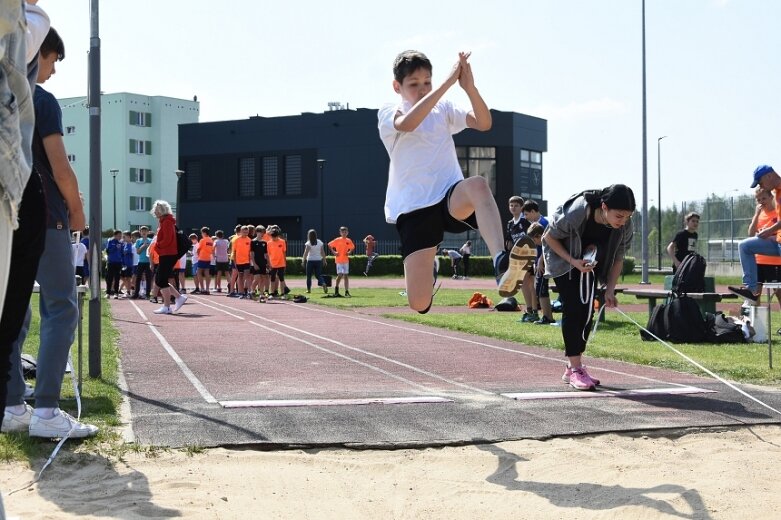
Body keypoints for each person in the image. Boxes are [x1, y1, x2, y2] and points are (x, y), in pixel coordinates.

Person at [377, 50, 529, 313]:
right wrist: (448, 83)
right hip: (414, 211)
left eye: (428, 82)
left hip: (449, 199)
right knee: (419, 303)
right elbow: (409, 123)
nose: (423, 89)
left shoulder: (443, 109)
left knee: (478, 185)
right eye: (414, 85)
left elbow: (484, 122)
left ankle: (500, 263)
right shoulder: (389, 113)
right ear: (397, 87)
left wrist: (469, 88)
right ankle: (431, 270)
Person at [2, 25, 98, 439]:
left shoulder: (5, 98)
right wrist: (77, 212)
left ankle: (11, 406)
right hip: (46, 219)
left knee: (14, 313)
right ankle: (45, 410)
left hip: (10, 219)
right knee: (61, 308)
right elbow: (60, 167)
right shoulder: (40, 99)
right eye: (53, 60)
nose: (54, 70)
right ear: (38, 52)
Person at [543, 184, 635, 390]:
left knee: (586, 312)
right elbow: (548, 236)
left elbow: (619, 257)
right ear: (604, 207)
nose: (623, 221)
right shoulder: (579, 210)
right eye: (619, 216)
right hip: (563, 259)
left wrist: (610, 289)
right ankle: (576, 370)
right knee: (574, 308)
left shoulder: (625, 224)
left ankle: (572, 367)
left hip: (591, 263)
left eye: (627, 217)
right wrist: (573, 261)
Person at [729, 165, 781, 303]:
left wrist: (769, 231)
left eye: (761, 182)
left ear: (769, 176)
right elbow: (751, 233)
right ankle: (751, 289)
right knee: (745, 246)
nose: (761, 185)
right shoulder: (777, 194)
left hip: (776, 248)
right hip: (776, 244)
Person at [149, 200, 187, 314]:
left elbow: (167, 239)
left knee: (161, 280)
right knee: (161, 279)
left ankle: (167, 306)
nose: (154, 212)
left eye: (156, 210)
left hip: (168, 253)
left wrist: (157, 246)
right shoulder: (164, 221)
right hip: (166, 253)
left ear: (162, 210)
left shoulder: (167, 222)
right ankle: (178, 297)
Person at [748, 186, 781, 309]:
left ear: (771, 197)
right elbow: (750, 234)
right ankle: (755, 326)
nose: (761, 201)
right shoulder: (760, 214)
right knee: (754, 294)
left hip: (774, 261)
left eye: (764, 198)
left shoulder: (778, 213)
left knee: (779, 293)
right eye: (758, 199)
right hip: (758, 261)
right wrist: (756, 214)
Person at [507, 195, 537, 321]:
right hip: (518, 258)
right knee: (523, 284)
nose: (513, 208)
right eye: (511, 205)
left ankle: (534, 311)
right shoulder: (509, 224)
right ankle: (529, 310)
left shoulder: (525, 222)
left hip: (529, 256)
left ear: (521, 207)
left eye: (516, 206)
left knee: (531, 284)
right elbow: (509, 242)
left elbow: (533, 239)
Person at [526, 222, 555, 325]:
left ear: (538, 236)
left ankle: (548, 317)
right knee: (540, 290)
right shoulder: (542, 240)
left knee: (542, 290)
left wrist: (540, 261)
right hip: (542, 267)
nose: (534, 242)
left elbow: (547, 250)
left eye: (534, 240)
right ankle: (547, 316)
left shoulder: (546, 238)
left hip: (545, 268)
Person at [328, 226, 355, 297]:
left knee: (346, 275)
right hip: (339, 260)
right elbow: (329, 244)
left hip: (346, 260)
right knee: (340, 275)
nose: (344, 233)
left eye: (345, 232)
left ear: (347, 233)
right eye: (342, 232)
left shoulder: (348, 240)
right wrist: (334, 252)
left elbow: (352, 247)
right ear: (340, 233)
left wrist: (349, 252)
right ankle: (336, 289)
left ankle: (346, 291)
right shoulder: (337, 240)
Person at [266, 225, 288, 298]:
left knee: (281, 278)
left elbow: (284, 252)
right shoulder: (269, 243)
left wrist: (285, 262)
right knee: (272, 278)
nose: (273, 238)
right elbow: (268, 254)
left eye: (275, 236)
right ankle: (271, 293)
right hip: (273, 264)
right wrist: (269, 263)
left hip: (281, 263)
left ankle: (282, 294)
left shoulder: (282, 242)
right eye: (272, 236)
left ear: (278, 235)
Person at [302, 229, 327, 293]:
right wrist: (324, 260)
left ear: (309, 236)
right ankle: (323, 283)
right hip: (318, 260)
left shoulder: (308, 243)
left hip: (310, 261)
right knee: (318, 275)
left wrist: (303, 261)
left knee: (309, 276)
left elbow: (306, 253)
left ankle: (308, 289)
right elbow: (322, 252)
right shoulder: (320, 242)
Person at [132, 225, 153, 299]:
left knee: (148, 278)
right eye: (142, 231)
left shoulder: (151, 240)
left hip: (148, 262)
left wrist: (148, 247)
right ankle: (136, 293)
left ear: (148, 232)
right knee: (138, 278)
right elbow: (138, 252)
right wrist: (143, 246)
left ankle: (147, 294)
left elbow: (152, 251)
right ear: (140, 233)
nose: (144, 232)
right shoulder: (138, 241)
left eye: (145, 231)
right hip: (140, 262)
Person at [250, 226, 269, 302]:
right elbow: (252, 254)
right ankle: (252, 291)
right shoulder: (253, 242)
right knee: (257, 278)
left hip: (263, 263)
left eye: (262, 232)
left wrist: (268, 263)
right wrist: (254, 264)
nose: (261, 234)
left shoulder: (264, 242)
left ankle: (261, 294)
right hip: (256, 262)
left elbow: (266, 254)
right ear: (257, 232)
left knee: (263, 278)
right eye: (260, 232)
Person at [233, 225, 252, 298]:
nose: (246, 233)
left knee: (247, 276)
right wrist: (235, 262)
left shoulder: (249, 240)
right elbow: (234, 252)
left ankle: (249, 291)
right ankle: (241, 292)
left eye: (247, 232)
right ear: (241, 232)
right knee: (240, 277)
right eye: (244, 232)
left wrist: (250, 260)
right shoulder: (236, 240)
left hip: (246, 261)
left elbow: (250, 251)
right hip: (239, 262)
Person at [105, 229, 123, 298]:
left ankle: (116, 293)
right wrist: (115, 247)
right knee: (109, 278)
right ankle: (108, 293)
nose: (120, 237)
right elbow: (108, 251)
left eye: (120, 236)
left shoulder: (121, 243)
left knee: (117, 278)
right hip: (111, 262)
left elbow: (121, 252)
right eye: (118, 236)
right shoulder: (110, 241)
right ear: (115, 235)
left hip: (118, 262)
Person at [196, 226, 213, 295]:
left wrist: (198, 255)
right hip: (208, 258)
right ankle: (207, 288)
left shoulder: (202, 240)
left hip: (202, 257)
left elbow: (198, 249)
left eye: (201, 233)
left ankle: (202, 288)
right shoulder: (211, 240)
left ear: (204, 233)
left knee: (199, 272)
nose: (201, 234)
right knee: (207, 273)